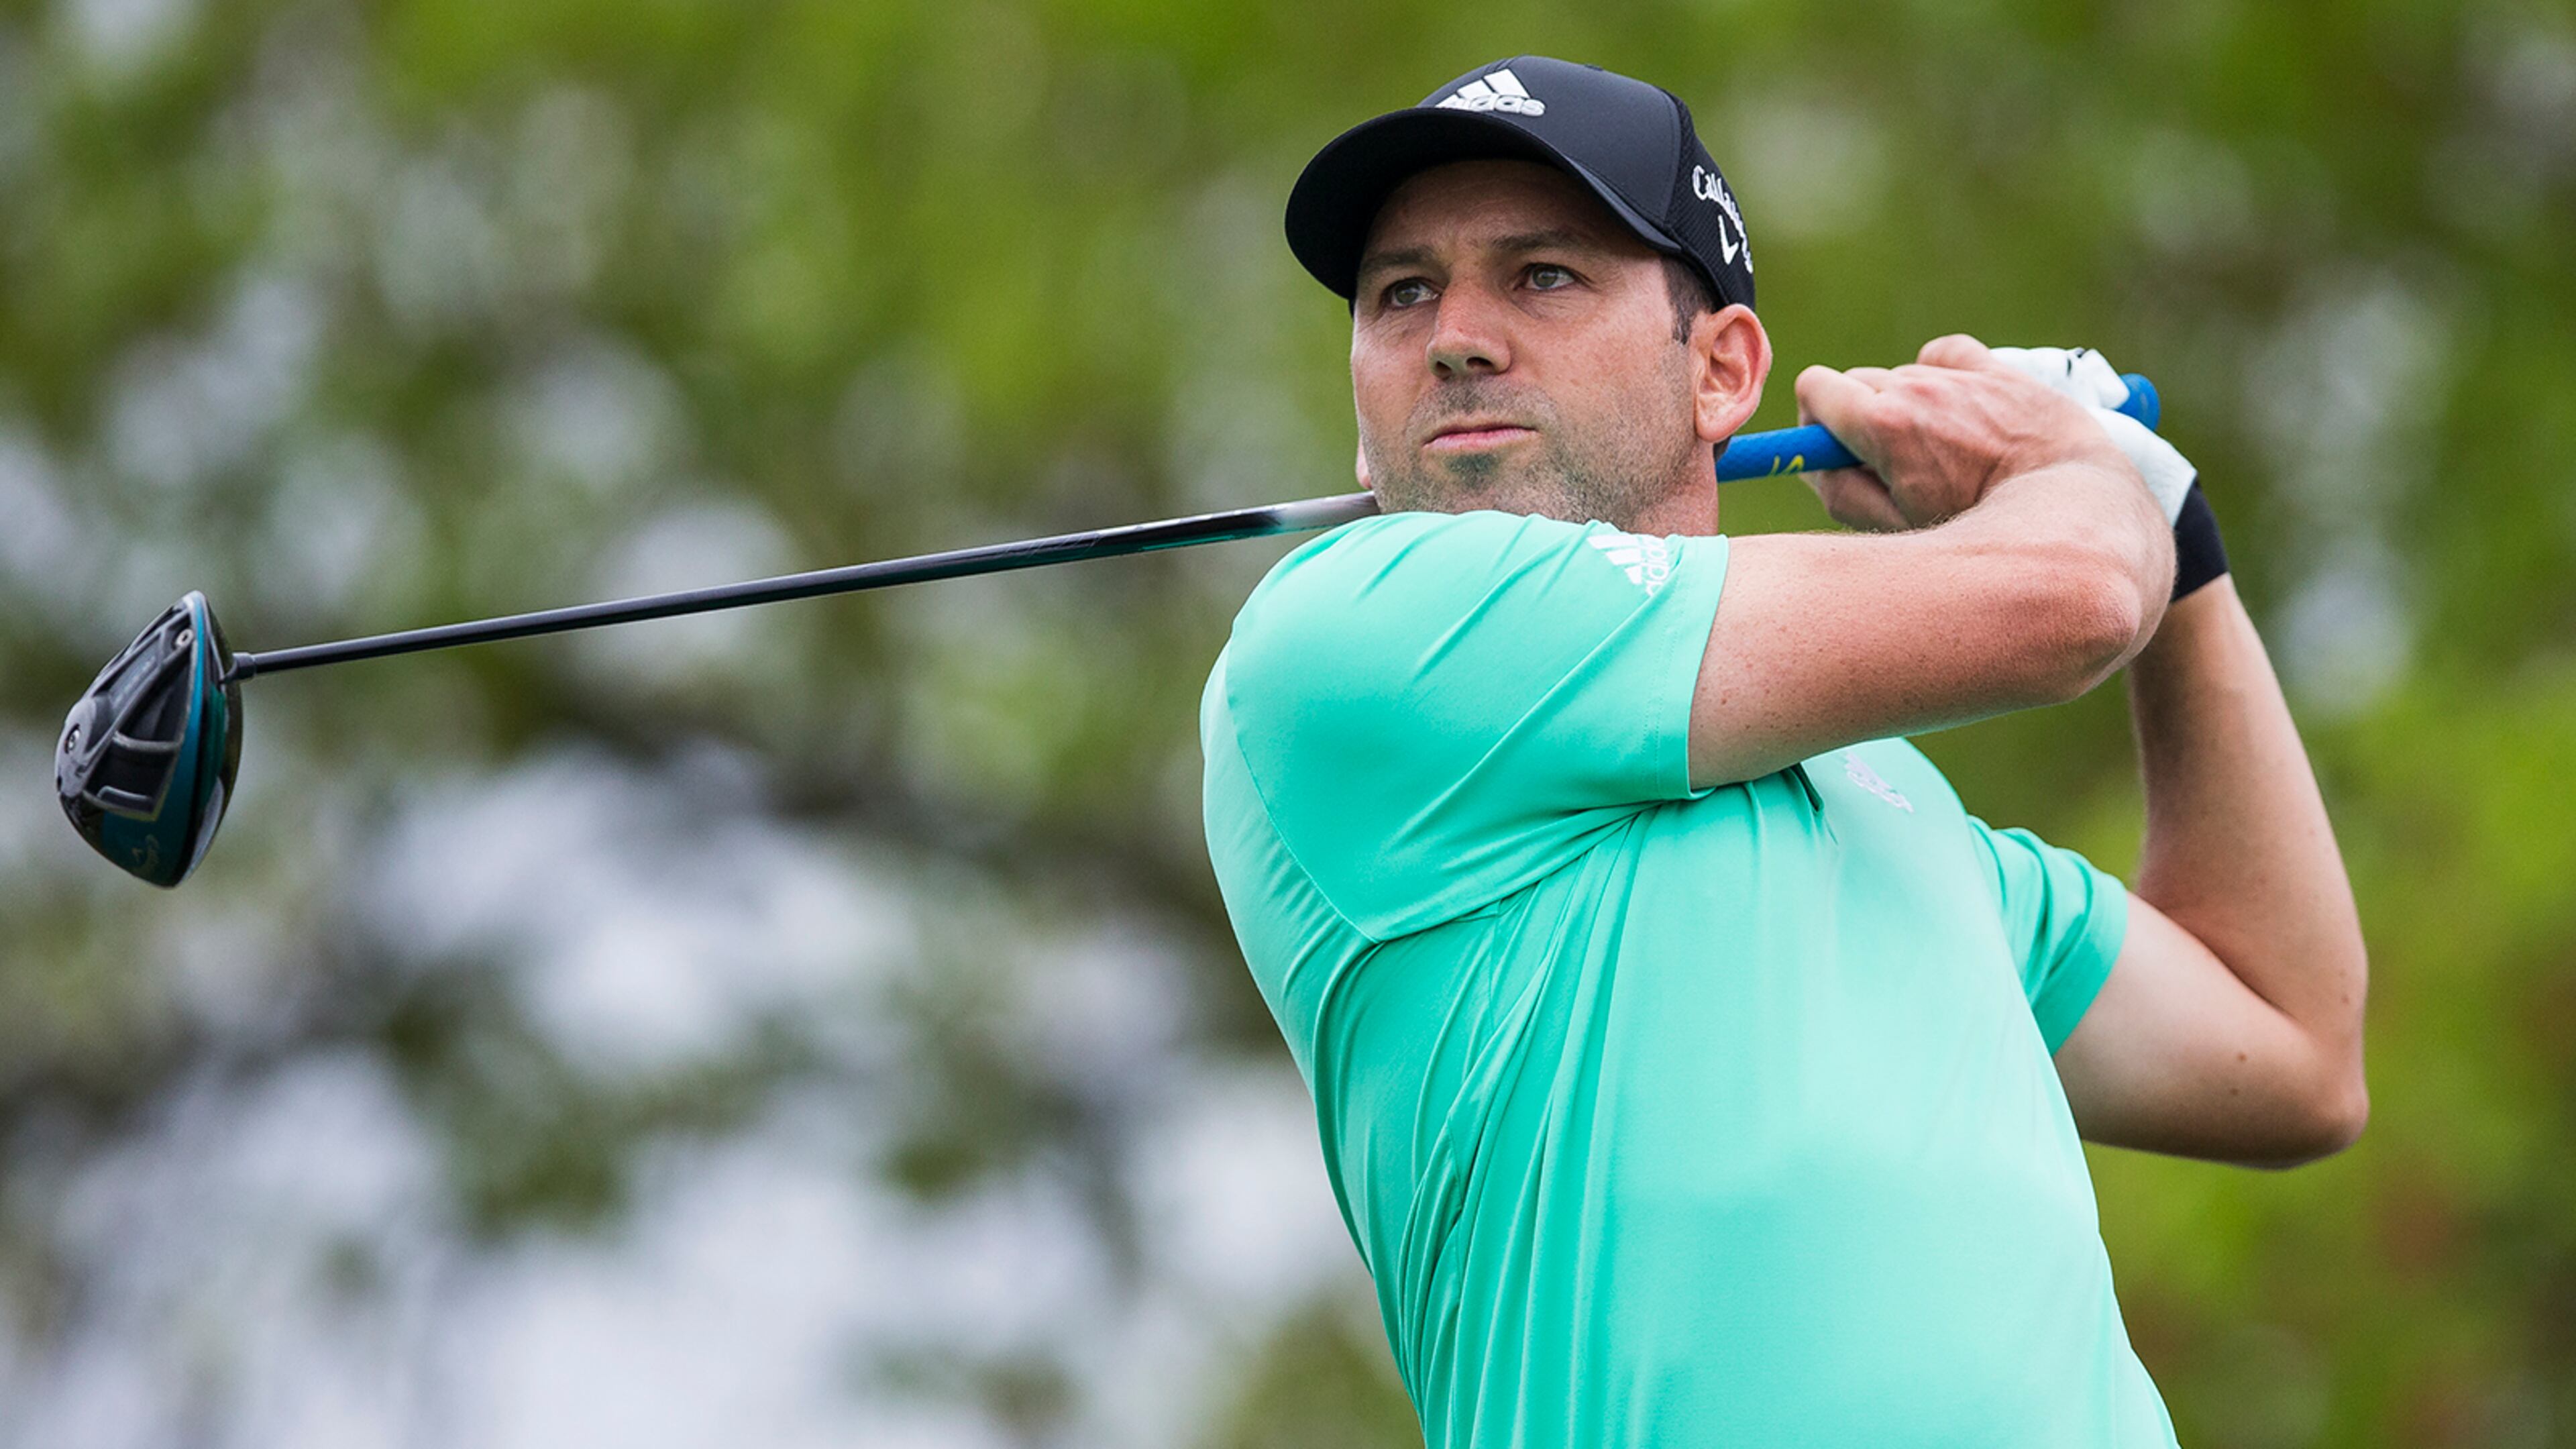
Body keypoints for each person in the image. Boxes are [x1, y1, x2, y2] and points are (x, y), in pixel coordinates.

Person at [1197, 56, 2369, 1446]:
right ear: (1360, 398)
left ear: (1723, 371)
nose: (1457, 335)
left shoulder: (1892, 802)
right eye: (1404, 293)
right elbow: (2068, 601)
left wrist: (2176, 540)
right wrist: (2071, 471)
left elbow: (2293, 1049)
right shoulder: (1353, 639)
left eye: (1542, 277)